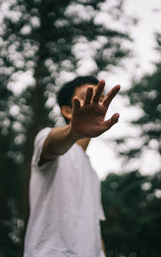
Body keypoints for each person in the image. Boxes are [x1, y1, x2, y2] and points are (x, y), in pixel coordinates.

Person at [23, 76, 121, 257]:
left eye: (100, 98)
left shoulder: (92, 172)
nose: (96, 103)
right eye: (88, 97)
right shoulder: (47, 137)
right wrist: (73, 131)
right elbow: (51, 147)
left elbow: (94, 229)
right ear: (68, 111)